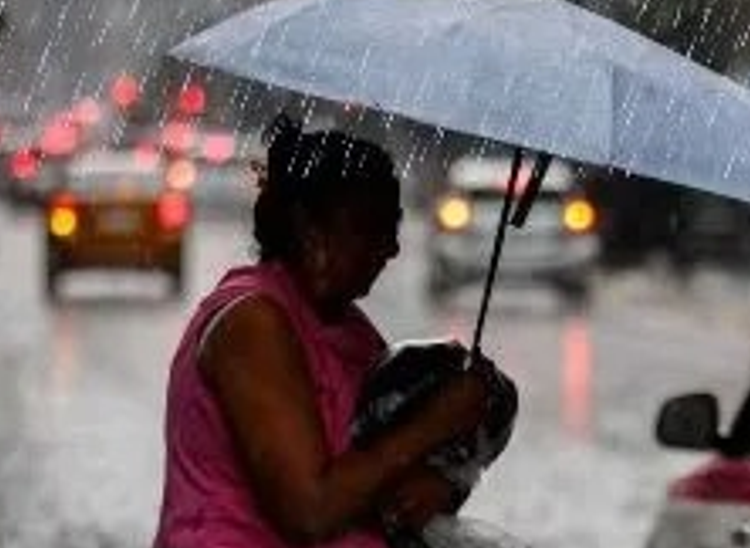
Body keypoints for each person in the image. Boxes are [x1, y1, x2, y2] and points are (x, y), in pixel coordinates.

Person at [155, 114, 496, 548]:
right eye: (372, 229)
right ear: (310, 232)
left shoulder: (349, 329)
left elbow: (373, 468)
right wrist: (433, 424)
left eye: (393, 227)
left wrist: (440, 484)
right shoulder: (252, 323)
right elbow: (310, 510)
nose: (390, 248)